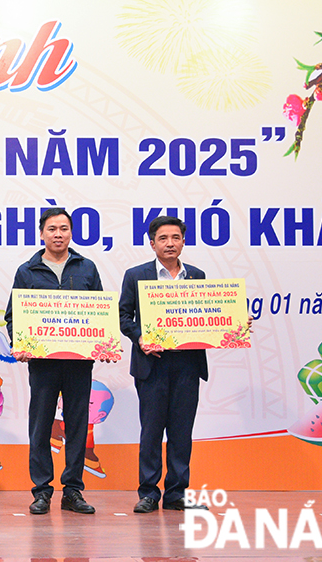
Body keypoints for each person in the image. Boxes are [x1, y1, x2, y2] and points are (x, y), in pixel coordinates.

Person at [4, 207, 102, 516]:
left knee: (77, 426)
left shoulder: (86, 268)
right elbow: (12, 317)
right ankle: (42, 491)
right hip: (43, 364)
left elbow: (99, 313)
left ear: (71, 233)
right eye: (52, 229)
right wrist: (20, 344)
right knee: (41, 425)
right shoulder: (27, 271)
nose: (58, 234)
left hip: (78, 363)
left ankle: (73, 490)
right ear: (42, 233)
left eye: (63, 228)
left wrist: (104, 343)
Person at [118, 215, 208, 513]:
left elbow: (208, 315)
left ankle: (177, 493)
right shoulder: (136, 275)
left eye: (176, 238)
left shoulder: (197, 276)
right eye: (163, 238)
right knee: (152, 431)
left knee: (182, 432)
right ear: (152, 243)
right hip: (151, 365)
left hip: (187, 365)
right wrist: (140, 337)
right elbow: (123, 317)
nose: (170, 243)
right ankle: (149, 493)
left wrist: (234, 323)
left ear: (183, 241)